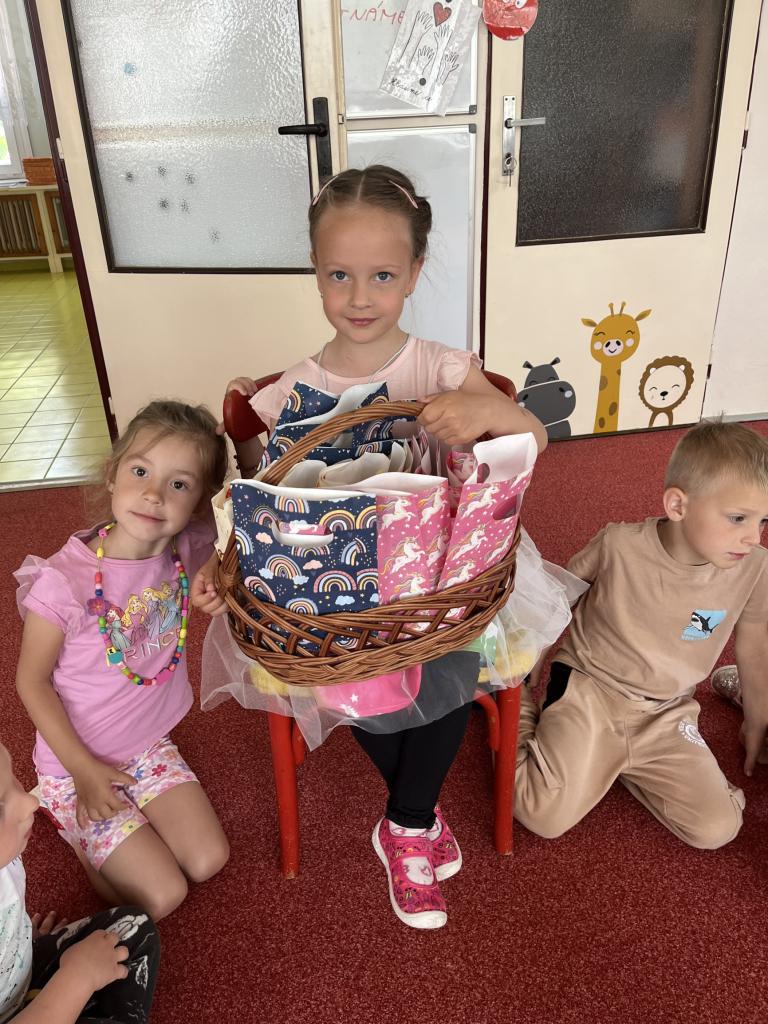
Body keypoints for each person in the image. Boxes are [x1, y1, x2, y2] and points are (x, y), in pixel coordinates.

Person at [196, 165, 548, 931]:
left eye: (383, 275)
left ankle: (406, 820)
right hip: (341, 600)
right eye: (339, 275)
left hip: (436, 586)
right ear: (315, 272)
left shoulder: (443, 369)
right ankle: (414, 817)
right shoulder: (289, 393)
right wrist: (227, 551)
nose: (360, 297)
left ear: (415, 273)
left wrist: (485, 411)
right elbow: (255, 506)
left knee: (452, 657)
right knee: (349, 673)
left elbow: (533, 440)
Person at [14, 401, 230, 922]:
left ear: (198, 501)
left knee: (208, 860)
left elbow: (233, 529)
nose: (155, 494)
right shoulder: (62, 583)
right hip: (74, 764)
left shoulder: (187, 545)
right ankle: (69, 821)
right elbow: (31, 682)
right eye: (140, 472)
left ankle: (118, 830)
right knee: (161, 896)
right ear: (112, 475)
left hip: (148, 746)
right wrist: (83, 771)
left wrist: (218, 574)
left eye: (179, 484)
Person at [515, 420, 768, 848]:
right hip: (591, 691)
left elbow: (756, 646)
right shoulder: (618, 544)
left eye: (763, 520)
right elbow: (558, 597)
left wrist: (758, 718)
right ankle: (518, 707)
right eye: (738, 518)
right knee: (542, 816)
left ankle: (617, 761)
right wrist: (526, 665)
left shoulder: (756, 567)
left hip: (666, 710)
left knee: (717, 829)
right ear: (678, 505)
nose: (752, 537)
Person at [0, 740, 160, 1023]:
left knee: (133, 925)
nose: (30, 802)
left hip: (20, 975)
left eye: (12, 779)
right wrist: (79, 978)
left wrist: (19, 941)